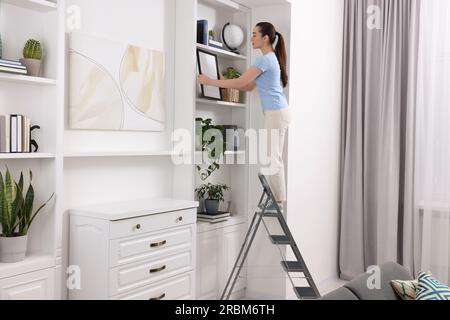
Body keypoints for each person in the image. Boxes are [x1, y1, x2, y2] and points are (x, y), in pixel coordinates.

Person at [198, 22, 291, 206]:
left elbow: (241, 83)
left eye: (255, 34)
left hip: (276, 113)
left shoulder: (265, 59)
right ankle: (277, 199)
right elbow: (248, 86)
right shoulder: (270, 58)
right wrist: (223, 81)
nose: (251, 38)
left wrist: (210, 81)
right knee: (272, 155)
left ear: (265, 38)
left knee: (273, 157)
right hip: (278, 112)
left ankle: (278, 200)